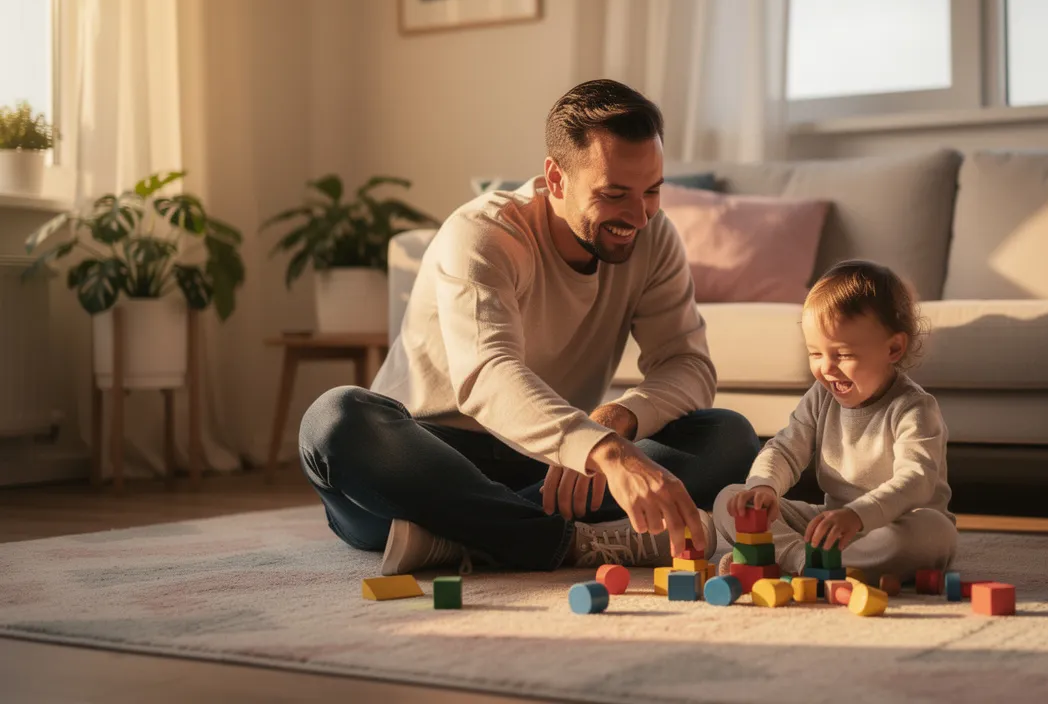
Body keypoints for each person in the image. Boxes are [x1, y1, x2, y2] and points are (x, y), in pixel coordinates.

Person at [299, 79, 758, 576]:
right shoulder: (482, 234)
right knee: (335, 419)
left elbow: (686, 364)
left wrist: (616, 421)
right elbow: (488, 376)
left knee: (728, 435)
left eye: (652, 191)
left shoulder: (654, 238)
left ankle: (463, 535)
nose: (638, 215)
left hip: (548, 466)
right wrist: (603, 452)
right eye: (614, 193)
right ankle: (562, 540)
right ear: (556, 180)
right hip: (424, 460)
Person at [713, 260, 957, 581]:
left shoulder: (914, 408)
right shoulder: (821, 395)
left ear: (894, 348)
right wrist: (764, 488)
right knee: (730, 499)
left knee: (933, 533)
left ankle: (792, 559)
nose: (827, 368)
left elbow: (916, 481)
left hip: (894, 522)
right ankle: (802, 559)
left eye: (842, 354)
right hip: (829, 526)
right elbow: (785, 449)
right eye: (815, 353)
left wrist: (856, 516)